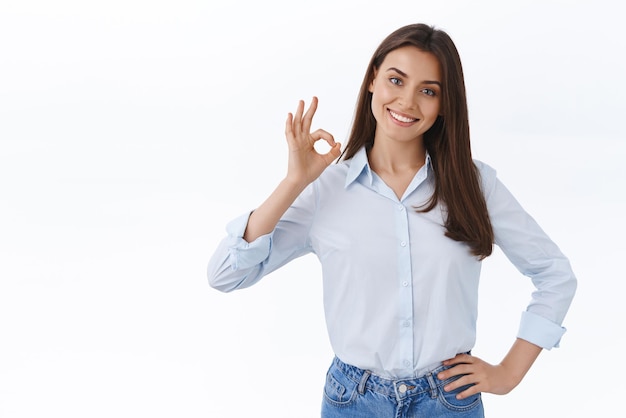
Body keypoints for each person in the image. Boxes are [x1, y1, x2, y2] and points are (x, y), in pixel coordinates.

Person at [207, 23, 577, 417]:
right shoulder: (323, 191)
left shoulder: (474, 184)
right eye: (396, 80)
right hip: (353, 401)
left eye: (428, 91)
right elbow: (225, 274)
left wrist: (509, 372)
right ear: (372, 80)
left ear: (445, 104)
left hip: (448, 401)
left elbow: (554, 273)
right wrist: (295, 181)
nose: (407, 102)